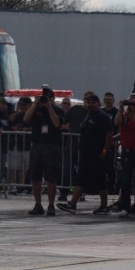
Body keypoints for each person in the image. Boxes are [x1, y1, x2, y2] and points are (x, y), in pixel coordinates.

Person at [57, 93, 114, 215]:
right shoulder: (88, 115)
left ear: (98, 104)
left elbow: (109, 134)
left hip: (97, 154)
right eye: (88, 102)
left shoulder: (102, 117)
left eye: (93, 102)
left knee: (100, 180)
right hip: (86, 154)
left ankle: (103, 206)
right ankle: (73, 204)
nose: (90, 105)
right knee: (81, 179)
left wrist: (104, 151)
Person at [25, 87, 65, 217]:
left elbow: (57, 124)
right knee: (35, 176)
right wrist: (34, 105)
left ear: (53, 99)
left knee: (51, 177)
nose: (44, 101)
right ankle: (38, 204)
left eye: (47, 98)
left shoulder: (58, 111)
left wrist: (49, 108)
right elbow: (26, 119)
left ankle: (51, 205)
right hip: (37, 145)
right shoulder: (36, 110)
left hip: (52, 146)